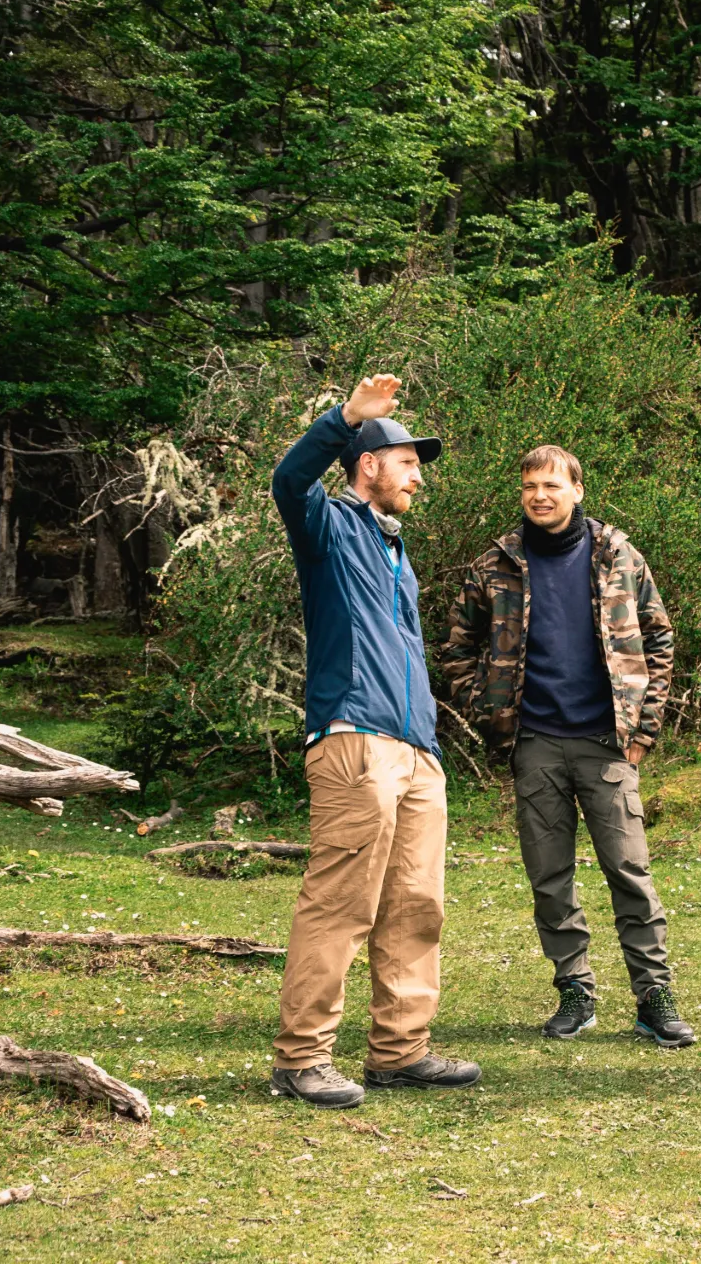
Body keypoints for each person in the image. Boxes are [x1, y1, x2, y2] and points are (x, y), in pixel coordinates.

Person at [266, 374, 480, 1109]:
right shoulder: (326, 524)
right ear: (369, 466)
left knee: (417, 906)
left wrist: (428, 742)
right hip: (354, 739)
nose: (419, 477)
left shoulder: (396, 550)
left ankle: (399, 1051)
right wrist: (345, 418)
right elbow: (288, 478)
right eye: (409, 462)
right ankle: (301, 1061)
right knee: (340, 904)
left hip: (416, 750)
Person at [443, 446, 693, 1047]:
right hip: (534, 745)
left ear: (577, 490)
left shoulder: (618, 555)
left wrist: (644, 728)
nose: (540, 496)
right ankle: (574, 990)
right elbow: (456, 650)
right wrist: (491, 712)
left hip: (607, 743)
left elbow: (659, 639)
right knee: (549, 877)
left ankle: (653, 997)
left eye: (552, 484)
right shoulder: (495, 565)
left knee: (629, 872)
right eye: (529, 485)